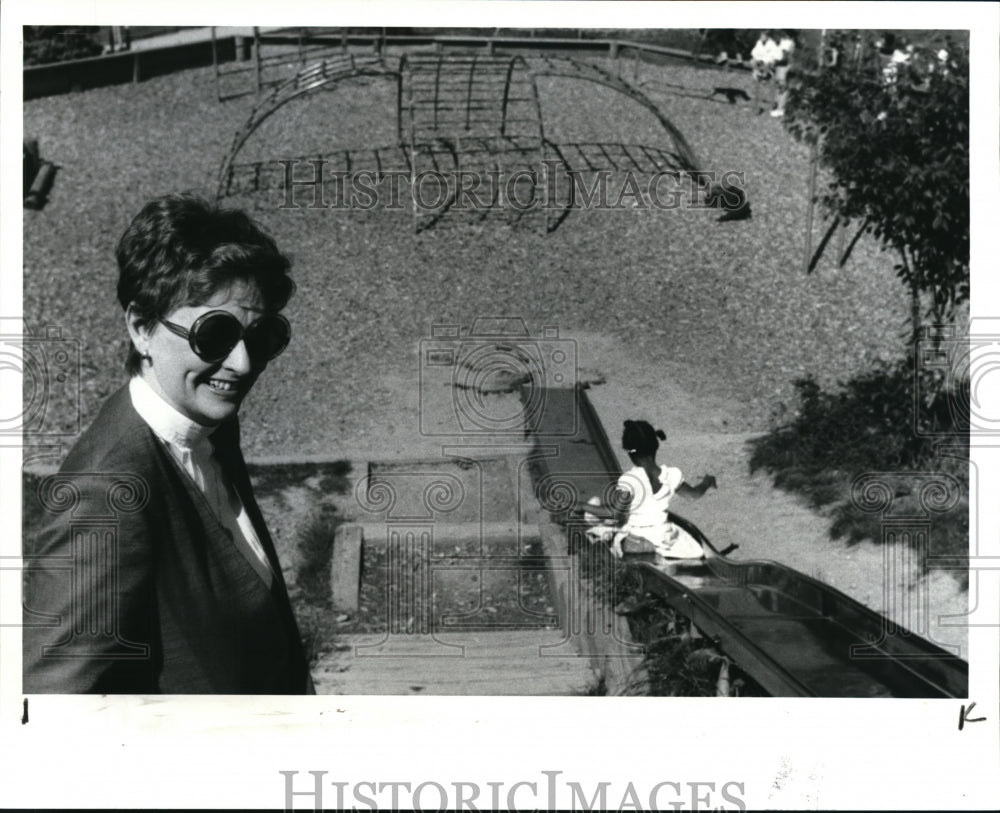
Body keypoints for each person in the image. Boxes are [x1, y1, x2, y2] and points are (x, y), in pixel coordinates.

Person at [22, 193, 314, 694]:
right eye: (214, 334)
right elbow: (54, 702)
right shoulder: (105, 493)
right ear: (141, 328)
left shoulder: (207, 425)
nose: (243, 365)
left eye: (262, 336)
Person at [586, 420, 717, 559]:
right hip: (662, 535)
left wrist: (581, 505)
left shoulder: (631, 479)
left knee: (615, 525)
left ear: (629, 452)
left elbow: (615, 513)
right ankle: (597, 518)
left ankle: (593, 516)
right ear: (655, 446)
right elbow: (693, 495)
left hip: (638, 537)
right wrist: (706, 482)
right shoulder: (671, 475)